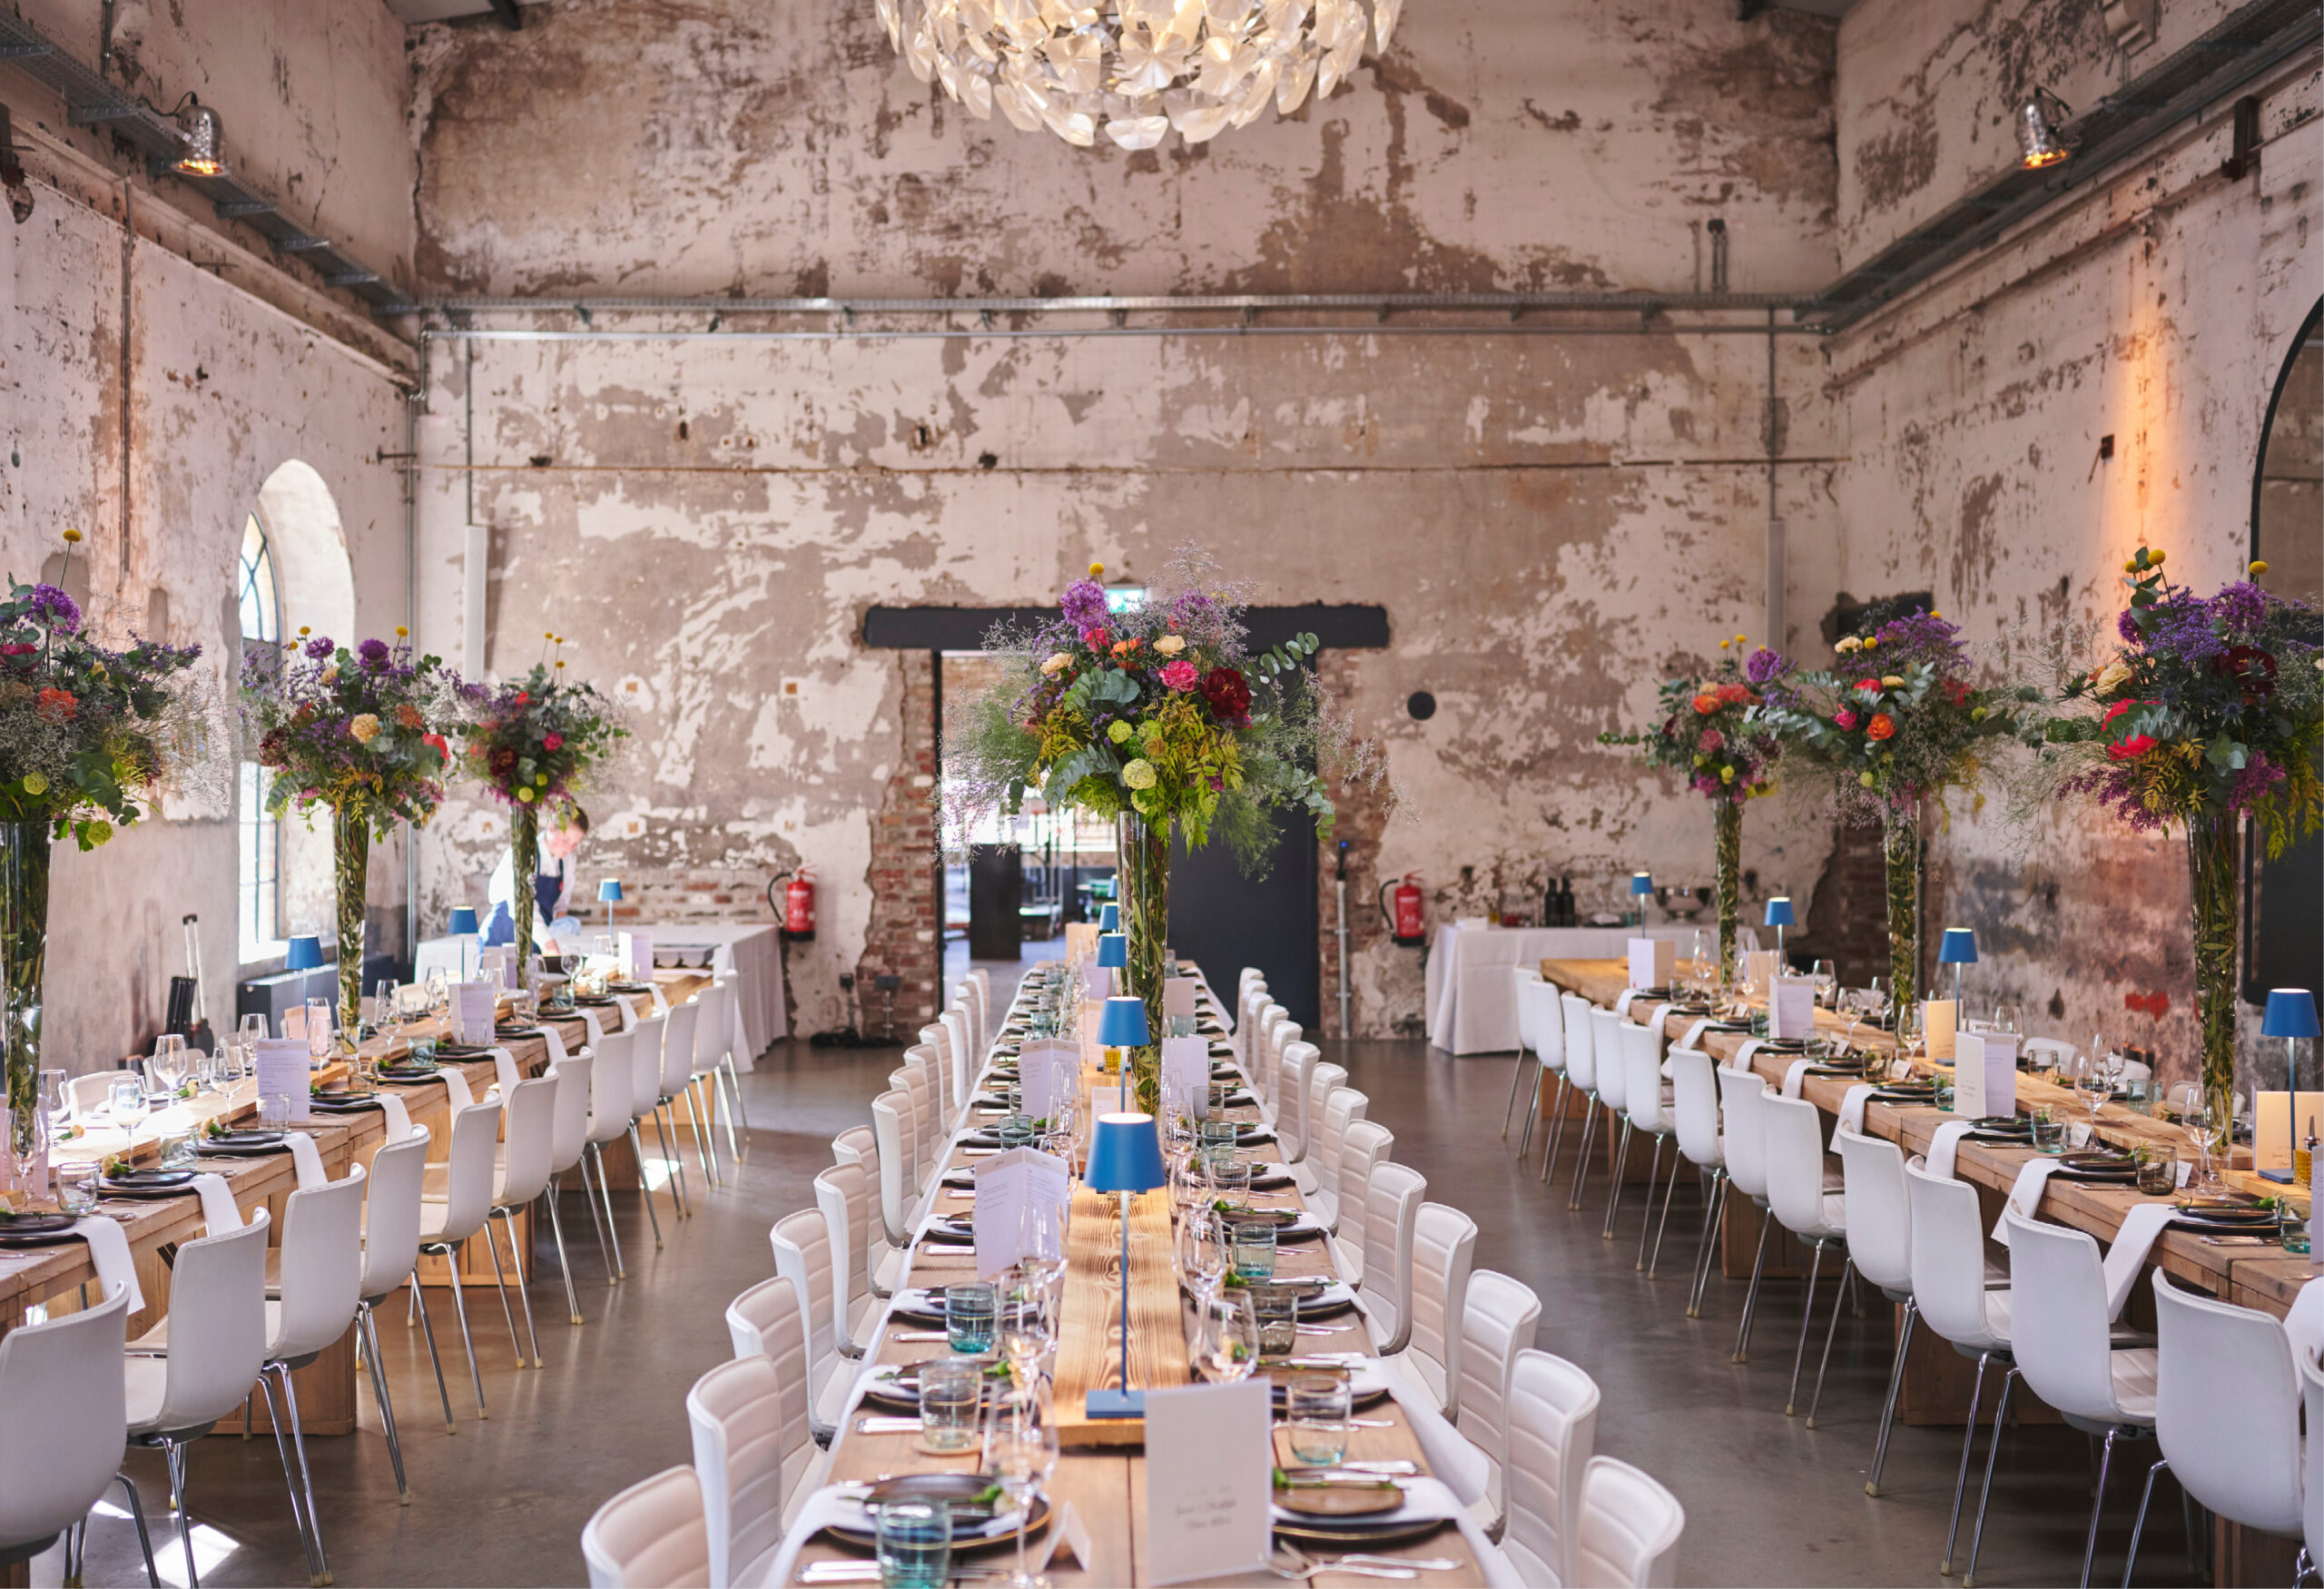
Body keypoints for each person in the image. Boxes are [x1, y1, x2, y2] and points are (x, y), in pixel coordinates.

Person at [485, 804, 588, 949]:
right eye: (565, 840)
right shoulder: (523, 853)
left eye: (575, 843)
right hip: (503, 936)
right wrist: (547, 941)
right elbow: (520, 905)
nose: (569, 848)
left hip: (537, 939)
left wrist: (561, 921)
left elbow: (562, 902)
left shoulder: (567, 859)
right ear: (551, 828)